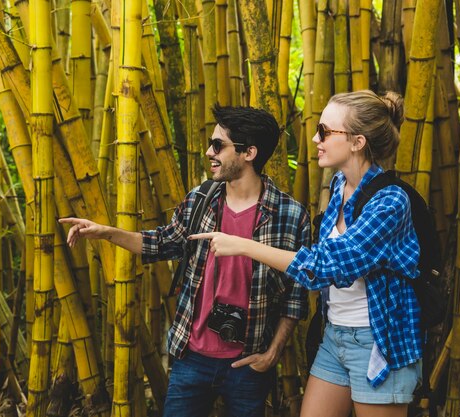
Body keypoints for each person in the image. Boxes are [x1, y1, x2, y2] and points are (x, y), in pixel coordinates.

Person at [59, 104, 310, 417]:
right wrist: (107, 233)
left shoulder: (289, 215)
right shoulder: (201, 200)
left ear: (249, 153)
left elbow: (295, 297)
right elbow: (161, 243)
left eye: (219, 145)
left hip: (249, 362)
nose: (209, 152)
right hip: (191, 356)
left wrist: (272, 354)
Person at [191, 91, 422, 417]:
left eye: (326, 132)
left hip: (379, 341)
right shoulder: (340, 185)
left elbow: (326, 266)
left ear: (357, 142)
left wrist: (244, 245)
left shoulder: (391, 202)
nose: (316, 138)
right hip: (335, 336)